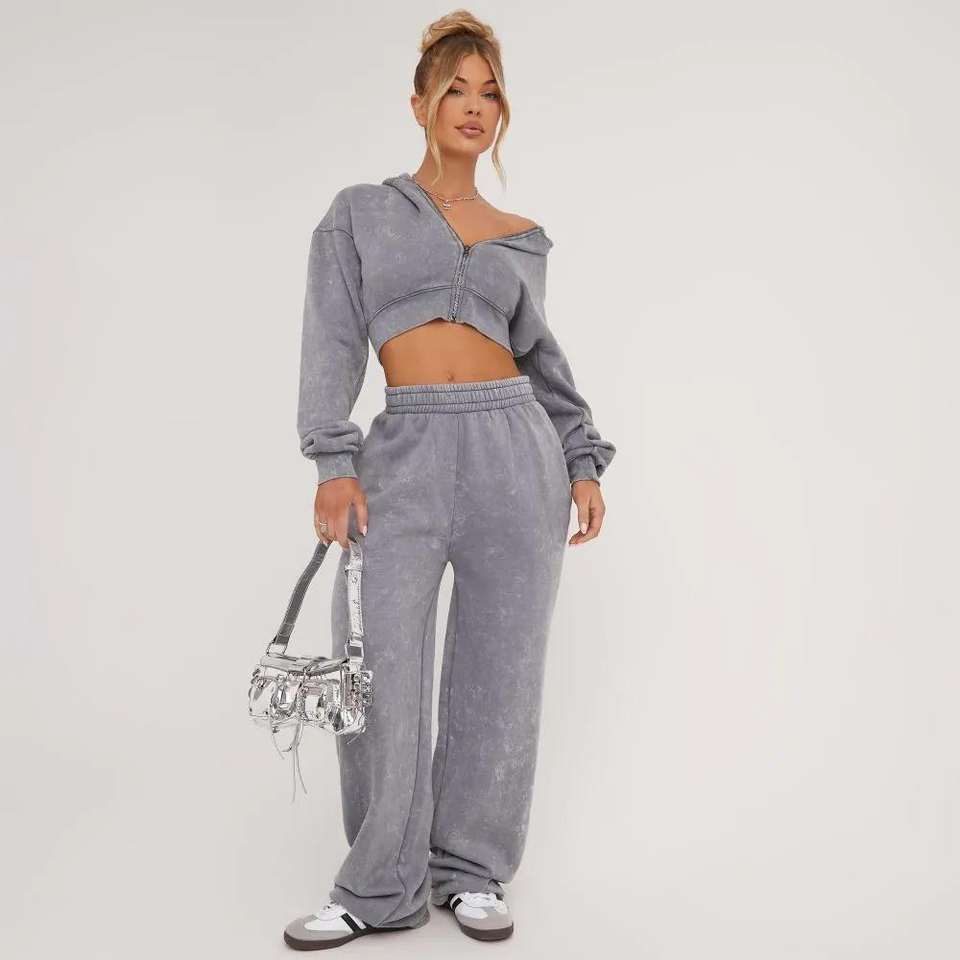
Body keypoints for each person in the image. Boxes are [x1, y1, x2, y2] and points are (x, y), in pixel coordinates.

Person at [282, 9, 616, 951]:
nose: (475, 106)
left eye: (490, 92)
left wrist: (581, 458)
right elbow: (332, 341)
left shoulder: (521, 236)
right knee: (377, 663)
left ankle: (471, 869)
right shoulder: (361, 213)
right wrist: (332, 460)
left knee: (502, 671)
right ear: (420, 103)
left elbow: (542, 359)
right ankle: (379, 883)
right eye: (457, 89)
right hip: (406, 453)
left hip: (517, 452)